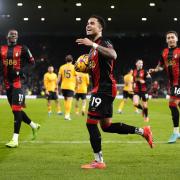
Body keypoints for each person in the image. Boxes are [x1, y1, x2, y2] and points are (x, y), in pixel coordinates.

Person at [76, 15, 154, 169]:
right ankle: (143, 131)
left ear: (100, 28)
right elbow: (97, 69)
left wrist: (93, 44)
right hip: (101, 88)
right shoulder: (93, 50)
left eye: (92, 23)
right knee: (106, 126)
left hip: (104, 89)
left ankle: (99, 161)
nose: (88, 25)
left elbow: (113, 55)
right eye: (87, 23)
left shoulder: (103, 43)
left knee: (91, 124)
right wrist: (84, 67)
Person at [0, 29, 40, 148]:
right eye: (12, 34)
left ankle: (15, 139)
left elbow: (32, 63)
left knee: (16, 110)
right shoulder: (2, 49)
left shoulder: (23, 48)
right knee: (15, 110)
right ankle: (34, 125)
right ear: (7, 36)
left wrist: (21, 71)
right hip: (7, 84)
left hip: (18, 83)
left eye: (16, 34)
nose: (14, 35)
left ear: (17, 37)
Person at [149, 31, 180, 143]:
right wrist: (155, 69)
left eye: (172, 37)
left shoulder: (179, 51)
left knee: (172, 104)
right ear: (166, 40)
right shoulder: (164, 52)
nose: (171, 39)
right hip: (172, 83)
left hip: (179, 82)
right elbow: (160, 66)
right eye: (168, 38)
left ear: (176, 39)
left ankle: (176, 132)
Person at [56, 55, 76, 120]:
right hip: (70, 86)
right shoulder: (74, 67)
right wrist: (77, 86)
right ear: (72, 60)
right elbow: (77, 77)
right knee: (69, 101)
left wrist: (56, 85)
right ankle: (67, 115)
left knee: (66, 100)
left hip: (63, 86)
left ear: (66, 60)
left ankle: (67, 113)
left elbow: (58, 78)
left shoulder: (62, 67)